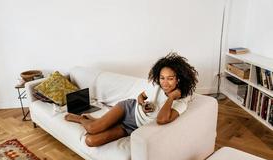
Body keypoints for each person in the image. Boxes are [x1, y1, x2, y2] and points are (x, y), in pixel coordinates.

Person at [65, 52, 198, 147]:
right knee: (93, 128)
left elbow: (162, 119)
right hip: (128, 109)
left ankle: (96, 120)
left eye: (170, 78)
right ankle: (80, 119)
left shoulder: (181, 102)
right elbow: (141, 96)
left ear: (178, 79)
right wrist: (142, 102)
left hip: (132, 127)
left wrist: (172, 97)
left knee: (91, 141)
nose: (164, 83)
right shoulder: (156, 86)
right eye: (162, 78)